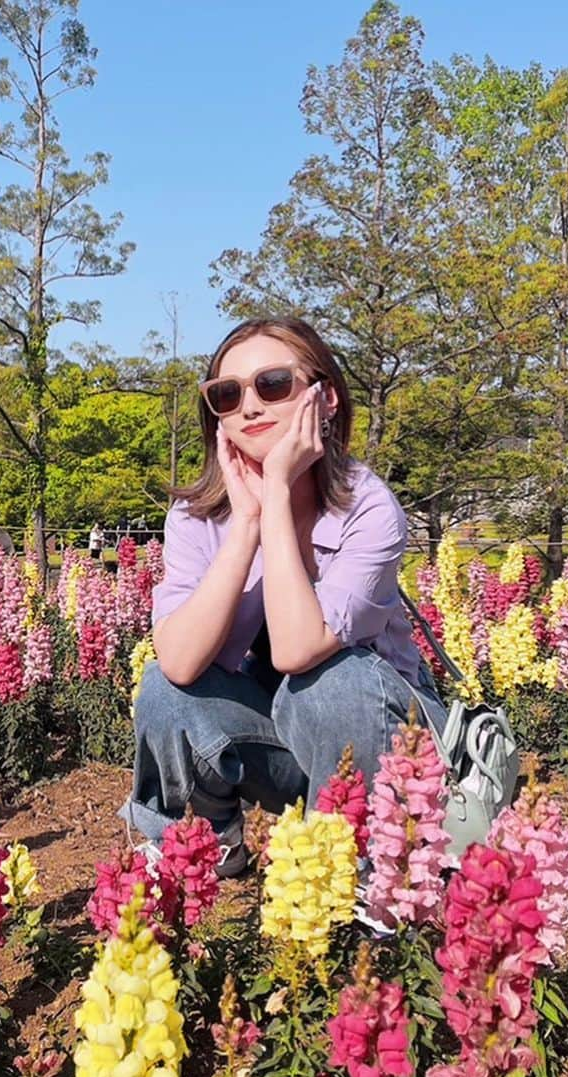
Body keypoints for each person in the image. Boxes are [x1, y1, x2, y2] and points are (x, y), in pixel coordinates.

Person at [119, 317, 447, 878]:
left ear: (327, 399)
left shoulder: (369, 508)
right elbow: (178, 661)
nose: (249, 406)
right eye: (227, 394)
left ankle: (363, 866)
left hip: (394, 743)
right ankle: (200, 846)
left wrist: (275, 491)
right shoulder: (197, 518)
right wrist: (246, 520)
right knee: (162, 687)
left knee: (329, 682)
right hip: (282, 738)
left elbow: (298, 650)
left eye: (272, 384)